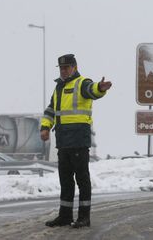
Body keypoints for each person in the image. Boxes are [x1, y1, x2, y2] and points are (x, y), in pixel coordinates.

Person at [40, 54, 112, 228]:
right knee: (65, 180)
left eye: (67, 67)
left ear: (74, 67)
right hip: (63, 142)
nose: (64, 71)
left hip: (79, 140)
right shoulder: (58, 87)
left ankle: (84, 217)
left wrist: (100, 88)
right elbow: (51, 110)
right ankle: (65, 216)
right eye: (62, 68)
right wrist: (45, 127)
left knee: (82, 179)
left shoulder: (82, 83)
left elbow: (92, 90)